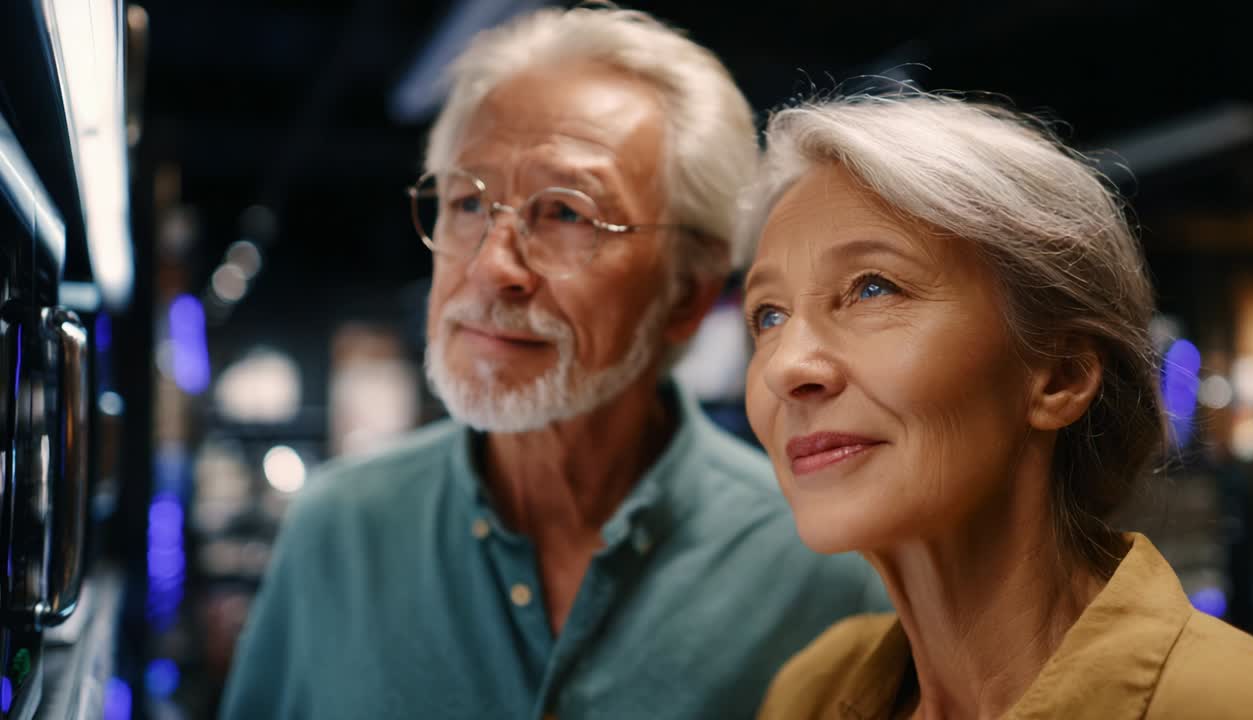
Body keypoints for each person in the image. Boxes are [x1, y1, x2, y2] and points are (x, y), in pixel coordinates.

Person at [219, 7, 887, 719]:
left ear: (686, 292)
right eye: (467, 202)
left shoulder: (825, 575)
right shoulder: (339, 531)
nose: (490, 266)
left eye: (568, 214)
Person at [740, 93, 1253, 719]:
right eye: (768, 316)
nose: (785, 368)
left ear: (1060, 376)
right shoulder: (810, 692)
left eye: (872, 288)